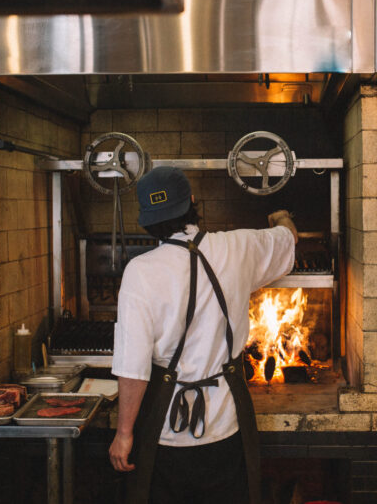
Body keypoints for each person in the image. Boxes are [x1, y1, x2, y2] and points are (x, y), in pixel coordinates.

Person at [109, 166, 297, 504]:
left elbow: (133, 366)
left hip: (166, 434)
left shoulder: (140, 272)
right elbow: (288, 239)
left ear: (148, 220)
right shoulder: (238, 247)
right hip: (227, 426)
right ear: (193, 203)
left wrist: (124, 434)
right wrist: (282, 215)